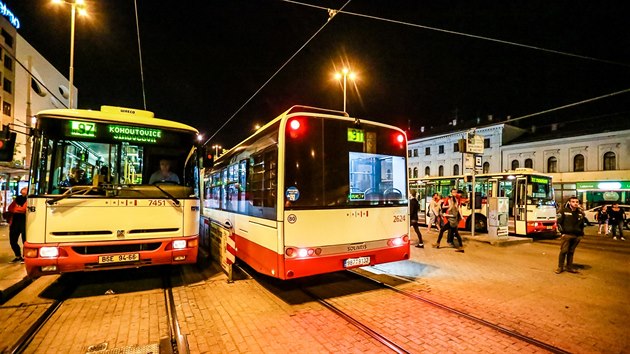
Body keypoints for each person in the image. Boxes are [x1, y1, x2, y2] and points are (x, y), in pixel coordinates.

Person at [555, 196, 585, 274]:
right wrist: (562, 233)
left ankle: (569, 267)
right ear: (569, 202)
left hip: (577, 236)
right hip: (567, 235)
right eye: (573, 202)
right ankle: (560, 267)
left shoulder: (580, 213)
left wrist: (581, 234)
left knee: (571, 252)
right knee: (564, 251)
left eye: (577, 202)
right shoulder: (563, 211)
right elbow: (558, 223)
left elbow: (582, 225)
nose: (575, 203)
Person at [7, 187, 28, 263]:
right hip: (15, 222)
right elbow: (10, 208)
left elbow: (24, 209)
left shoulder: (30, 199)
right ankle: (18, 256)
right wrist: (19, 209)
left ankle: (26, 257)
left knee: (25, 241)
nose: (24, 191)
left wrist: (17, 209)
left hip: (25, 222)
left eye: (25, 189)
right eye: (23, 189)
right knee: (13, 240)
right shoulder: (17, 199)